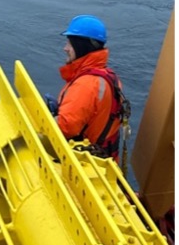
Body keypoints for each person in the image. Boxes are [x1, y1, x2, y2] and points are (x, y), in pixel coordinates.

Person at [45, 15, 129, 160]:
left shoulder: (87, 84)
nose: (65, 48)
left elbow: (65, 128)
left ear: (81, 46)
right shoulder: (108, 76)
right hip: (103, 159)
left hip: (85, 159)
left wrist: (42, 118)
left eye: (70, 44)